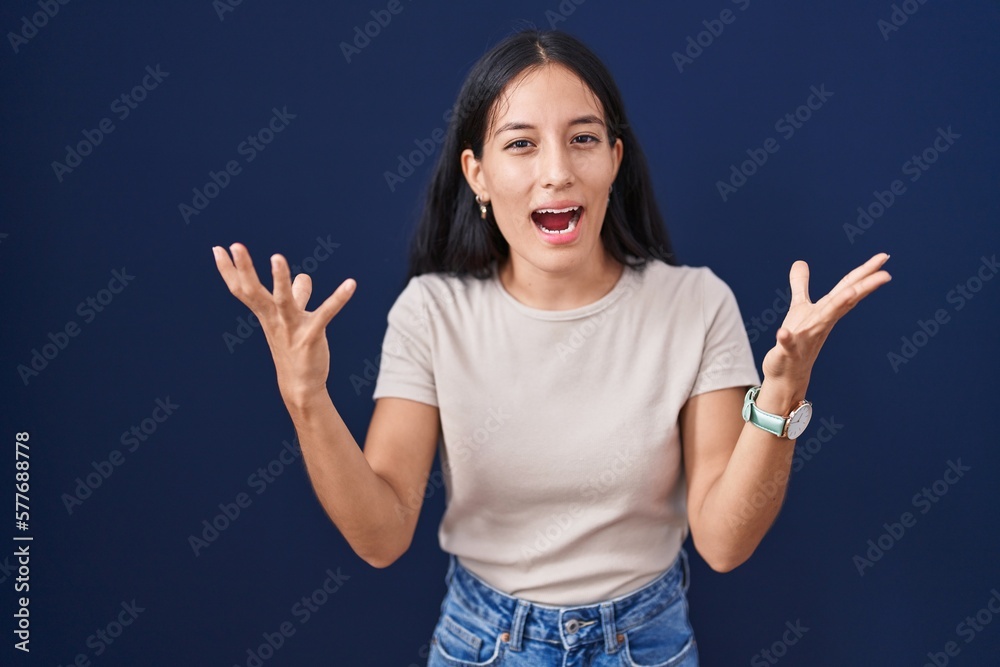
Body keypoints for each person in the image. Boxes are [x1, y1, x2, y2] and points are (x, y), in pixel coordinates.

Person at [212, 28, 890, 667]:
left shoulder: (696, 303)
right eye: (521, 144)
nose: (557, 171)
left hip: (646, 643)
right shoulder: (433, 311)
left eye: (583, 139)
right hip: (482, 642)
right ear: (476, 173)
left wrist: (781, 393)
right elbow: (382, 534)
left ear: (615, 161)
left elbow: (723, 541)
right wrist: (306, 398)